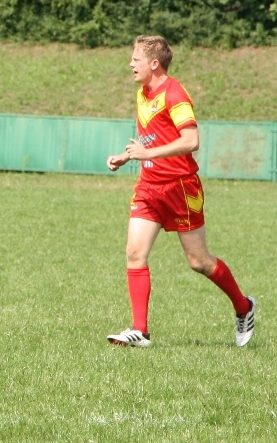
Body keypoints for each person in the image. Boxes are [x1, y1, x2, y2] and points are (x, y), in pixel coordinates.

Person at [105, 35, 256, 348]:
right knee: (134, 254)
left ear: (154, 63)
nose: (131, 64)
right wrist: (129, 155)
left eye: (136, 59)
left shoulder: (175, 94)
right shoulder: (142, 92)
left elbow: (190, 141)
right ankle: (140, 331)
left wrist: (147, 154)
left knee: (199, 262)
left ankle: (244, 307)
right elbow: (155, 135)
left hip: (180, 187)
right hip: (149, 186)